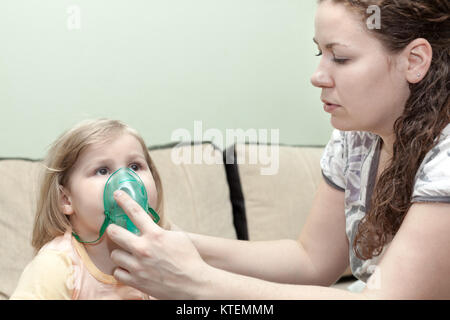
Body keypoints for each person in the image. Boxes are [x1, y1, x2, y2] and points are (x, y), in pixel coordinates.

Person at [106, 0, 450, 299]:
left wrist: (197, 281)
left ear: (415, 60)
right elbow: (310, 260)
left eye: (340, 57)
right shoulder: (355, 139)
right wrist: (176, 243)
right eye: (320, 53)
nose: (318, 75)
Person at [10, 119, 170, 299]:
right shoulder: (57, 267)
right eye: (102, 170)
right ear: (66, 200)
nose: (125, 182)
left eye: (135, 166)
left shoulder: (160, 251)